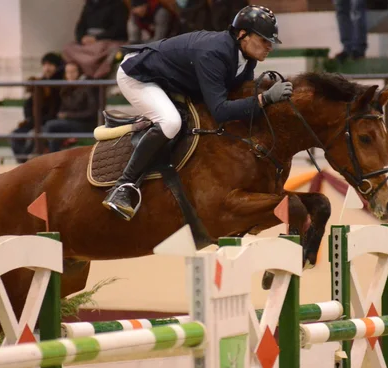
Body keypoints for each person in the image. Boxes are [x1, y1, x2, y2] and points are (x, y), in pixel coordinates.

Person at [102, 5, 293, 219]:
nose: (270, 47)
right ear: (242, 34)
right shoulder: (214, 53)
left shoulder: (246, 58)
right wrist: (264, 99)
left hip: (175, 81)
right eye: (265, 40)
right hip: (139, 76)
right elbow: (221, 110)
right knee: (171, 122)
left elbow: (239, 101)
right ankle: (123, 187)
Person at [10, 52, 64, 163]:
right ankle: (22, 161)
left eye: (50, 64)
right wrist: (30, 118)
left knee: (32, 135)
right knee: (15, 134)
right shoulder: (39, 83)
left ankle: (26, 162)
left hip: (49, 122)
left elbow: (55, 109)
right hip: (35, 121)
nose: (47, 68)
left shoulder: (60, 85)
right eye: (45, 64)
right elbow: (29, 104)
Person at [43, 62, 99, 153]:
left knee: (50, 126)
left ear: (79, 72)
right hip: (69, 122)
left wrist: (68, 115)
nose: (70, 75)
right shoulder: (66, 88)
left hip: (85, 123)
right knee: (44, 127)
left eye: (73, 72)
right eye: (68, 72)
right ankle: (53, 155)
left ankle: (53, 155)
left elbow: (92, 112)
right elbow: (63, 109)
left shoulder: (87, 86)